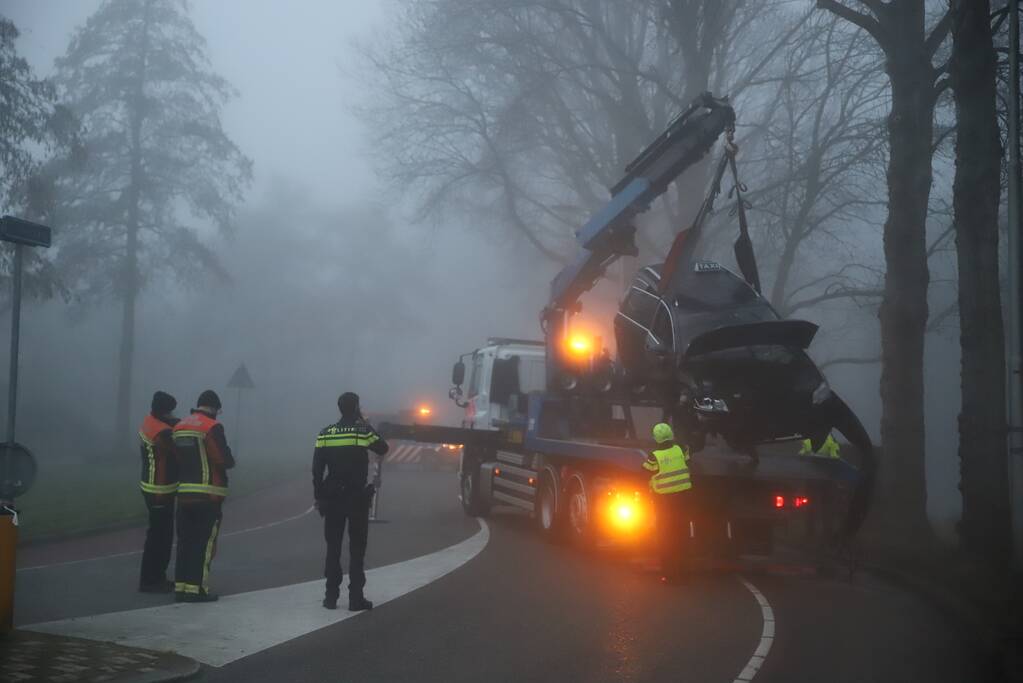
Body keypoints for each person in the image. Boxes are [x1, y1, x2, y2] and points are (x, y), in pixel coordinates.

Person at [313, 392, 389, 611]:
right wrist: (364, 422)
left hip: (332, 498)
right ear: (356, 407)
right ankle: (356, 599)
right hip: (356, 498)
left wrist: (319, 496)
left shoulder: (325, 433)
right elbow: (383, 448)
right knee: (357, 549)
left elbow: (317, 469)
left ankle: (330, 597)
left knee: (333, 548)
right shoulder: (362, 430)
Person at [172, 390, 235, 603]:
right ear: (214, 408)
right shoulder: (212, 427)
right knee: (204, 544)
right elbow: (222, 459)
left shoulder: (179, 426)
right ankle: (197, 589)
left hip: (184, 494)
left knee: (184, 542)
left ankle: (180, 587)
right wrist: (229, 461)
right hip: (208, 495)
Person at [138, 391, 179, 593]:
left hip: (150, 485)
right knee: (160, 538)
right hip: (160, 488)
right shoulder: (162, 432)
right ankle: (152, 580)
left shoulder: (149, 421)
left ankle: (152, 578)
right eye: (170, 411)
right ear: (164, 412)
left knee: (156, 534)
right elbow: (176, 449)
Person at [643, 422, 692, 581]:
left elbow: (646, 469)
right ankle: (684, 573)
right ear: (671, 434)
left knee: (666, 537)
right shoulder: (682, 448)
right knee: (681, 535)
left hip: (664, 501)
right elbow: (688, 460)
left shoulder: (654, 456)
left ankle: (669, 575)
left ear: (656, 438)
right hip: (683, 498)